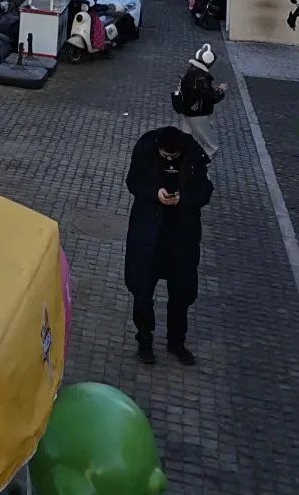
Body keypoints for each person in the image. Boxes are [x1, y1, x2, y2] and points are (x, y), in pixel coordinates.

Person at [124, 125, 212, 367]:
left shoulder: (194, 158)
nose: (170, 160)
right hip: (147, 237)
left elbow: (205, 192)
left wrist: (183, 199)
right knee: (143, 293)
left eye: (174, 157)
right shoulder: (145, 151)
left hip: (181, 239)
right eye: (165, 156)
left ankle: (176, 342)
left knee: (181, 295)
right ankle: (144, 340)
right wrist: (156, 193)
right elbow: (133, 182)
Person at [172, 44, 226, 160]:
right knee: (210, 144)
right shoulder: (201, 78)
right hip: (198, 113)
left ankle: (184, 161)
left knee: (187, 138)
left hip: (188, 111)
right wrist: (220, 91)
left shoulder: (191, 71)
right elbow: (210, 97)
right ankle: (203, 162)